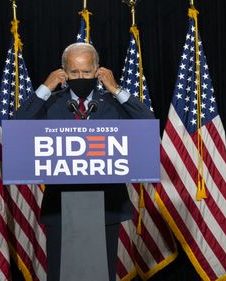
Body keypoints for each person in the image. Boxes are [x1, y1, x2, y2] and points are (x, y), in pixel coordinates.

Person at [13, 42, 154, 281]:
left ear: (98, 70)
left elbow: (147, 123)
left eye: (86, 71)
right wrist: (45, 87)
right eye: (74, 72)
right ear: (64, 73)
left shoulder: (112, 103)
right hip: (61, 206)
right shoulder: (51, 103)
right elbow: (17, 127)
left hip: (105, 205)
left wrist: (116, 89)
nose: (81, 77)